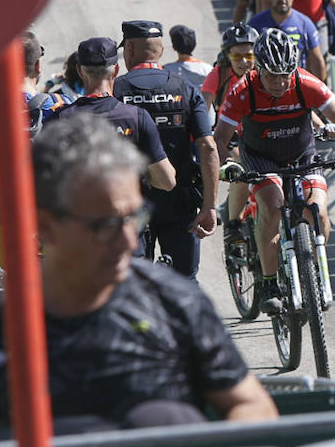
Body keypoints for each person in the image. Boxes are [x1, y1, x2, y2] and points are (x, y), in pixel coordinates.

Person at [0, 113, 277, 444]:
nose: (129, 241)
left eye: (134, 217)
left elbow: (253, 406)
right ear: (44, 226)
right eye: (104, 225)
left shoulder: (176, 303)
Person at [213, 29, 335, 313]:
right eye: (271, 75)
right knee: (272, 207)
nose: (279, 82)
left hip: (302, 155)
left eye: (285, 74)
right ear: (258, 68)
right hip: (261, 158)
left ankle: (314, 268)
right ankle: (270, 282)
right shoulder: (242, 91)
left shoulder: (305, 83)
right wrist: (227, 164)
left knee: (319, 213)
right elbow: (220, 138)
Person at [114, 20, 220, 280]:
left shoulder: (116, 90)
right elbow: (207, 147)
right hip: (178, 201)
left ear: (128, 49)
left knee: (132, 284)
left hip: (131, 205)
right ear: (161, 51)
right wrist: (210, 206)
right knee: (185, 282)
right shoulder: (186, 89)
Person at [0, 32, 68, 263]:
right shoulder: (63, 106)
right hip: (57, 224)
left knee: (10, 294)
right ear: (38, 65)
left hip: (6, 222)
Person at [52, 37, 177, 193]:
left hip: (77, 213)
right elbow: (167, 181)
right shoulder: (137, 117)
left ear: (80, 71)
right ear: (116, 70)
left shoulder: (60, 119)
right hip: (122, 212)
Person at [202, 23, 261, 244]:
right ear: (227, 56)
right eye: (237, 57)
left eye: (249, 55)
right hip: (230, 135)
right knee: (241, 165)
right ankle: (234, 224)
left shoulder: (263, 73)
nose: (244, 62)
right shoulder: (220, 73)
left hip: (261, 132)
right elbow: (203, 106)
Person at [249, 0, 328, 81]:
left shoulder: (304, 24)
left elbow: (317, 61)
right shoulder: (255, 24)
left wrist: (319, 92)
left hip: (295, 86)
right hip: (264, 87)